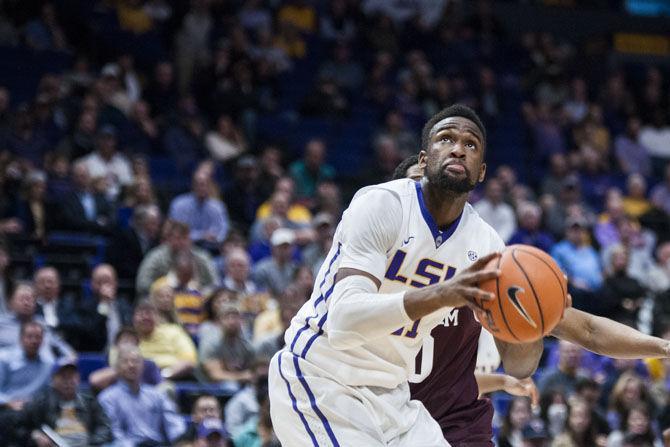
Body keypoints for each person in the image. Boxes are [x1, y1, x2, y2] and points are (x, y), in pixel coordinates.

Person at [268, 105, 541, 446]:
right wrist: (443, 294)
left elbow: (519, 364)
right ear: (424, 160)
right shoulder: (380, 205)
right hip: (323, 376)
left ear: (481, 171)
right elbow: (344, 320)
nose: (459, 148)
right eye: (447, 139)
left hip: (394, 395)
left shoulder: (487, 244)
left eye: (471, 145)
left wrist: (534, 322)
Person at [393, 142, 670, 446]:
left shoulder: (482, 264)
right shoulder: (373, 272)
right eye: (419, 189)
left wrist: (663, 347)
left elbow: (588, 330)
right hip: (386, 420)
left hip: (455, 427)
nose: (431, 199)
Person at [98, 344, 186, 445]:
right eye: (125, 361)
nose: (131, 365)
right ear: (117, 367)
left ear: (143, 366)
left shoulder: (157, 395)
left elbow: (174, 424)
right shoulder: (107, 398)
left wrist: (182, 441)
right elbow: (114, 433)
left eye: (136, 361)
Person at [18, 359, 114, 447]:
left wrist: (92, 443)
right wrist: (35, 435)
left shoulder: (89, 400)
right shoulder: (41, 401)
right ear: (53, 380)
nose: (68, 381)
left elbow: (105, 427)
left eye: (72, 376)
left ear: (78, 378)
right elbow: (19, 426)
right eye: (63, 377)